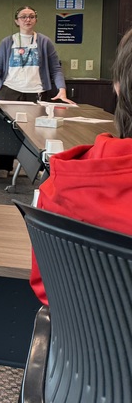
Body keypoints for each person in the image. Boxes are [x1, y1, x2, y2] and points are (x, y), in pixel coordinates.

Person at [30, 25, 132, 304]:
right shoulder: (8, 43)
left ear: (118, 88)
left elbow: (47, 287)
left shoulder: (60, 185)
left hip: (88, 344)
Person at [0, 5, 73, 104]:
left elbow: (56, 69)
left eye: (31, 16)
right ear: (16, 21)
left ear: (36, 20)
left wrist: (62, 88)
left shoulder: (45, 42)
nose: (28, 19)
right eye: (23, 17)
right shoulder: (7, 42)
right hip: (9, 91)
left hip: (36, 92)